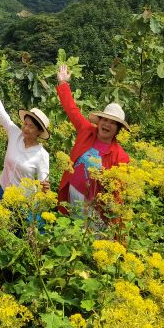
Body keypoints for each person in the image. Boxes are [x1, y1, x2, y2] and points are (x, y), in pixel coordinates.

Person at [55, 63, 131, 224]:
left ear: (117, 129)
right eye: (104, 119)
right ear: (99, 121)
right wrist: (63, 83)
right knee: (70, 234)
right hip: (72, 194)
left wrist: (117, 223)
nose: (107, 124)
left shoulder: (120, 156)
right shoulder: (87, 131)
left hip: (95, 208)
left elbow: (117, 193)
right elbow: (72, 110)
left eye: (112, 122)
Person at [0, 64, 50, 195]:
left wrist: (45, 188)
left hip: (23, 202)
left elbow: (43, 184)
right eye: (25, 124)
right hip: (3, 192)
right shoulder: (15, 133)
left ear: (39, 131)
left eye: (31, 126)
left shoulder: (42, 155)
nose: (25, 128)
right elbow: (1, 112)